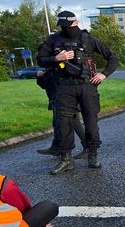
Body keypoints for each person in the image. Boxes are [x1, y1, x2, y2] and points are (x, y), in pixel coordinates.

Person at [38, 10, 117, 174]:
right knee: (63, 123)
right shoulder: (54, 40)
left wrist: (103, 74)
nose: (67, 29)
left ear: (76, 22)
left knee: (91, 122)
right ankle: (66, 159)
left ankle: (92, 155)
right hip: (64, 86)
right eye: (63, 26)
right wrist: (56, 59)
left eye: (69, 25)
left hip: (87, 85)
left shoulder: (89, 39)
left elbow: (112, 57)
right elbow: (40, 59)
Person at [34, 42, 86, 157]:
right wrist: (40, 77)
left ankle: (87, 147)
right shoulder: (48, 67)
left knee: (74, 122)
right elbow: (45, 85)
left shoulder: (61, 65)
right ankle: (56, 147)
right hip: (56, 99)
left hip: (67, 99)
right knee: (57, 122)